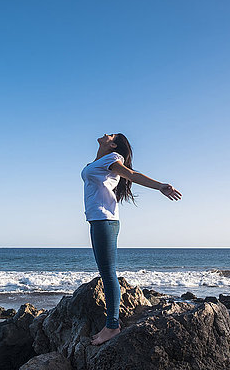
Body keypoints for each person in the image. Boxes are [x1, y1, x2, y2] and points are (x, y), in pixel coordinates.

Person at [81, 133, 182, 345]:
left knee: (108, 274)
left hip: (104, 220)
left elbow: (132, 175)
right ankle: (110, 324)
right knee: (106, 273)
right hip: (97, 219)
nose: (105, 133)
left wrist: (161, 186)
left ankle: (112, 326)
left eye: (111, 135)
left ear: (114, 144)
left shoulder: (112, 158)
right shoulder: (98, 162)